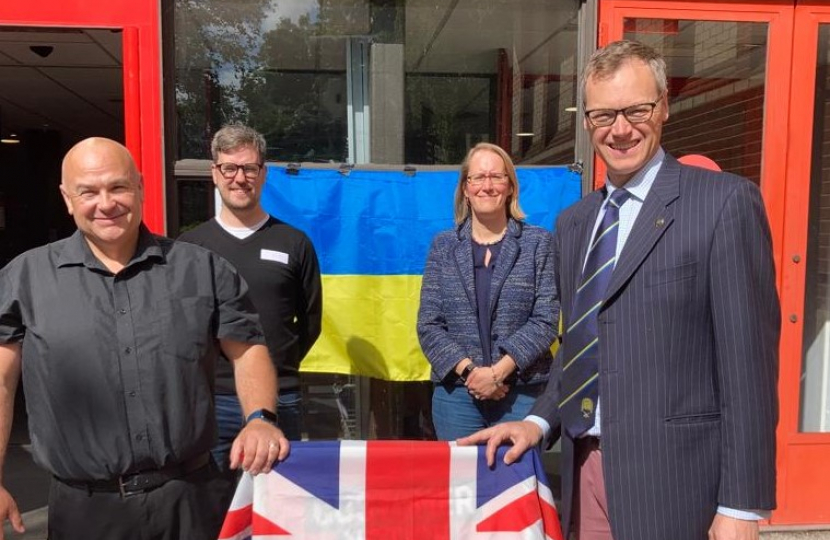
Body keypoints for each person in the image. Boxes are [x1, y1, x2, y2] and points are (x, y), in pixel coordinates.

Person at [460, 40, 780, 540]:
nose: (621, 128)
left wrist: (741, 503)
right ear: (587, 121)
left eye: (637, 109)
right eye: (604, 114)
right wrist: (539, 422)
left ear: (665, 107)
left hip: (677, 483)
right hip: (585, 471)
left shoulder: (723, 204)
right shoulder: (575, 223)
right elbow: (582, 346)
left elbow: (749, 367)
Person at [0, 137, 289, 540]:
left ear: (140, 187)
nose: (106, 203)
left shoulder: (202, 269)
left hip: (190, 502)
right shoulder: (24, 278)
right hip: (83, 512)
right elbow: (2, 379)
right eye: (89, 191)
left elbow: (248, 349)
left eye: (118, 187)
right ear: (67, 199)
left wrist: (260, 418)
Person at [179, 124, 321, 473]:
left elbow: (310, 322)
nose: (239, 178)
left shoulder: (294, 243)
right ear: (215, 173)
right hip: (211, 401)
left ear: (263, 173)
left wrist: (279, 366)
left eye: (249, 168)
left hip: (279, 399)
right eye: (230, 167)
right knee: (214, 514)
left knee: (275, 513)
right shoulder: (190, 248)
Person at [417, 142, 557, 440]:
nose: (487, 186)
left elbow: (545, 319)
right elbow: (429, 325)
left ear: (510, 186)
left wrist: (497, 373)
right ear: (465, 189)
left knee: (517, 482)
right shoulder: (443, 247)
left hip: (521, 391)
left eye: (497, 176)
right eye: (478, 178)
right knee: (463, 486)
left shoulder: (539, 243)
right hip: (456, 396)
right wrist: (472, 374)